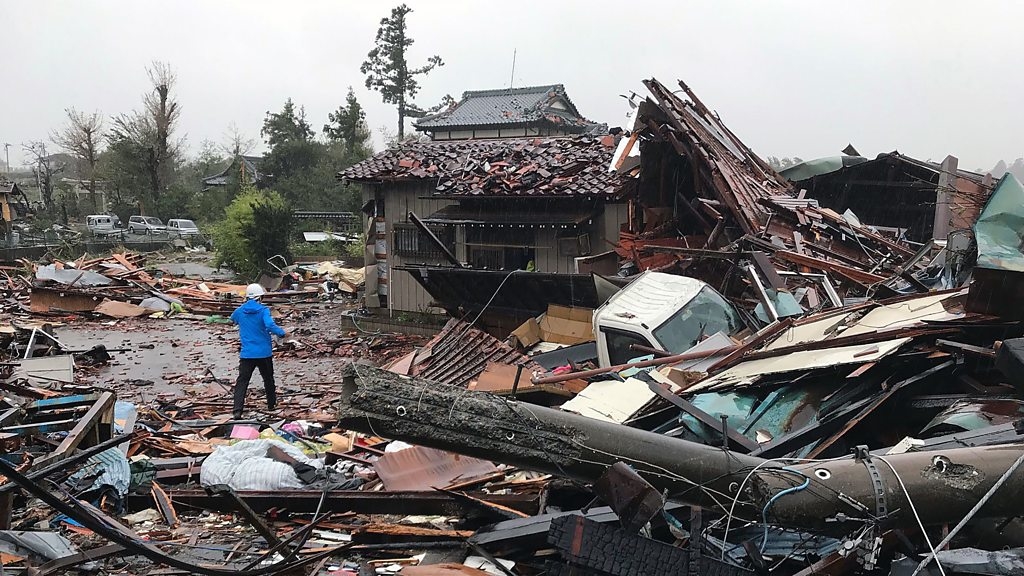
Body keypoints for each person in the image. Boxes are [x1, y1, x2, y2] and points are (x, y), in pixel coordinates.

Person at [230, 283, 287, 419]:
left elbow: (233, 320)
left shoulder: (240, 311)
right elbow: (269, 325)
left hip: (247, 353)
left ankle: (237, 410)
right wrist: (281, 333)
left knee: (242, 382)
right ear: (259, 297)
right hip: (264, 352)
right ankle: (271, 404)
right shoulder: (263, 310)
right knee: (268, 379)